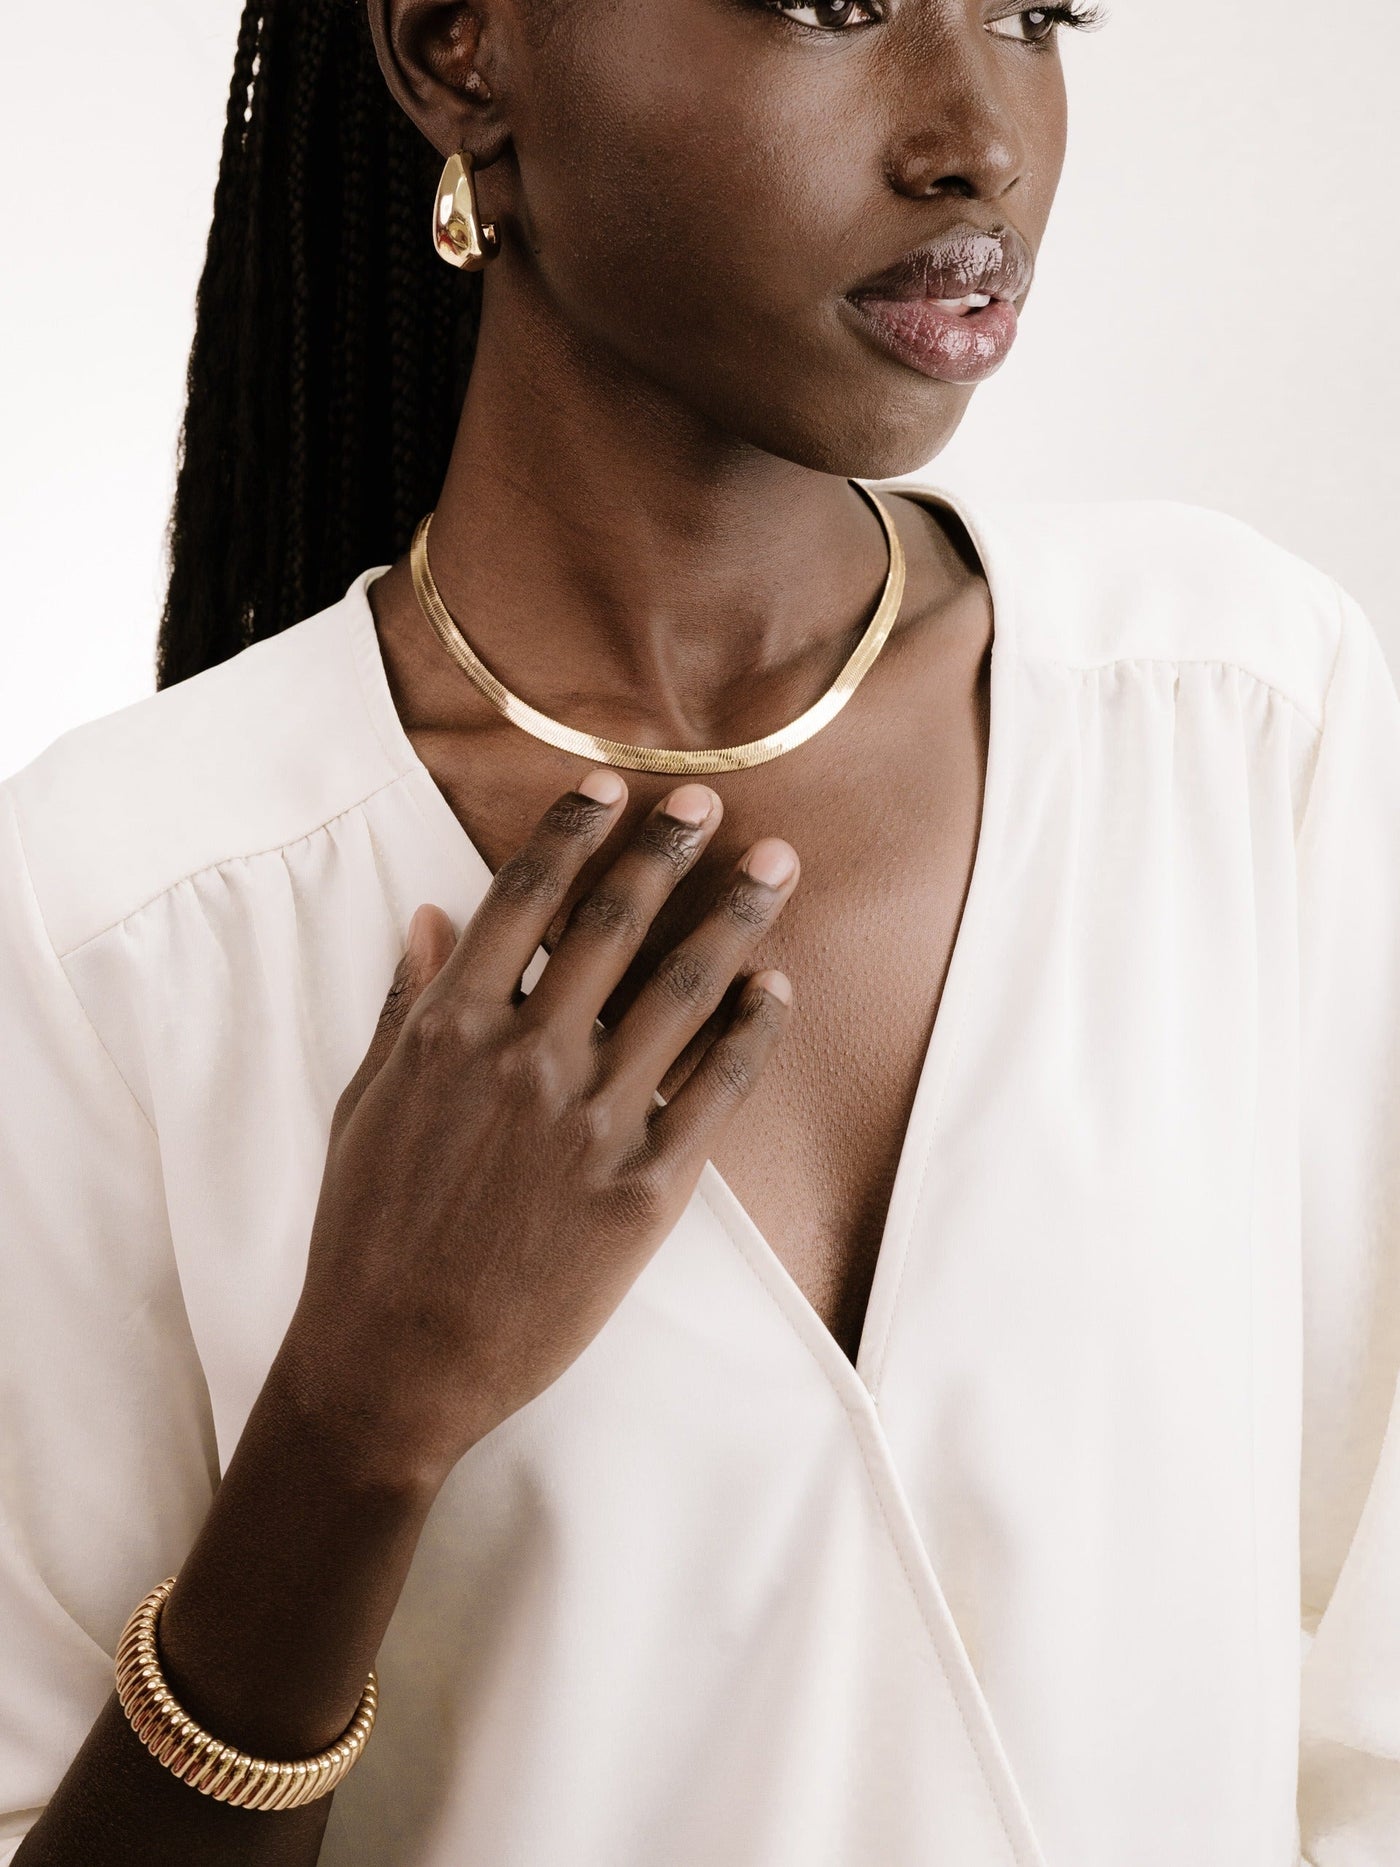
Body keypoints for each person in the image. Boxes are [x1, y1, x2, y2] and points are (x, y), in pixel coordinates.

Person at [1, 0, 1397, 1861]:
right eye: (830, 4)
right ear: (456, 49)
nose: (977, 137)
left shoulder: (1235, 709)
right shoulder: (122, 917)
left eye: (1034, 11)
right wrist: (352, 1425)